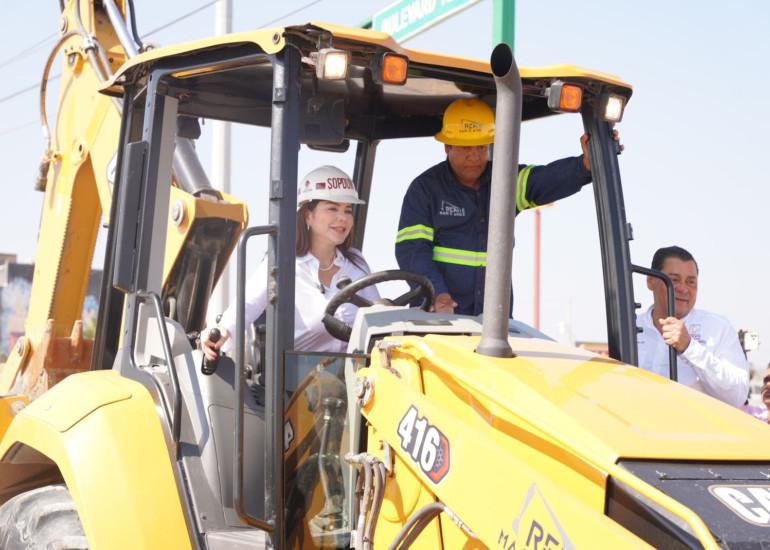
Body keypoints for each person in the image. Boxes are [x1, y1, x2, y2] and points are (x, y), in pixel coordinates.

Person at [395, 97, 610, 315]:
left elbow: (545, 179)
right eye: (466, 147)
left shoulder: (504, 180)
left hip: (493, 324)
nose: (474, 156)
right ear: (447, 146)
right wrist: (437, 295)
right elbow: (412, 250)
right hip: (438, 323)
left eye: (481, 147)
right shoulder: (425, 190)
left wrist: (584, 165)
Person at [202, 165, 379, 360]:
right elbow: (248, 304)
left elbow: (378, 315)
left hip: (357, 372)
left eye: (348, 210)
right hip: (301, 375)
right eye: (332, 208)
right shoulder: (283, 263)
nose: (343, 218)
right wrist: (223, 329)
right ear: (307, 215)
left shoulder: (356, 262)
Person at [636, 245, 748, 407]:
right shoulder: (630, 328)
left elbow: (737, 395)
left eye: (691, 282)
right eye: (674, 280)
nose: (683, 289)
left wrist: (689, 348)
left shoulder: (717, 328)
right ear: (650, 281)